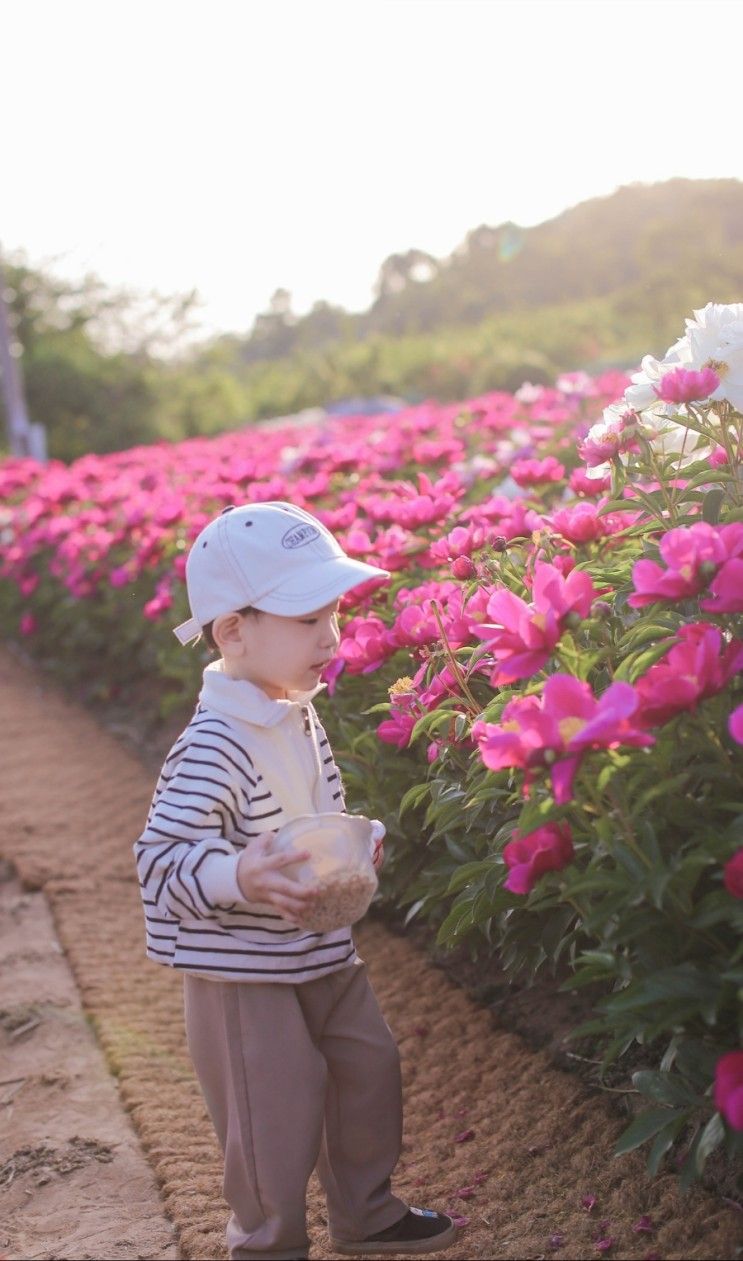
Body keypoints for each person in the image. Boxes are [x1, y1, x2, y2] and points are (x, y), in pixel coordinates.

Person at [134, 501, 457, 1261]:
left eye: (333, 614)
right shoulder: (213, 743)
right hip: (245, 974)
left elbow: (319, 807)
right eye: (307, 617)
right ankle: (267, 1239)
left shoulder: (293, 713)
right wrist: (239, 870)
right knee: (271, 1110)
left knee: (365, 1071)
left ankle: (366, 1212)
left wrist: (355, 838)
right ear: (233, 630)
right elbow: (160, 857)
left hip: (320, 949)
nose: (331, 636)